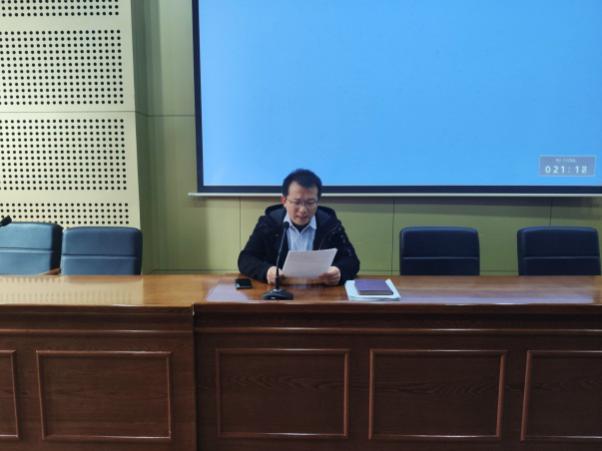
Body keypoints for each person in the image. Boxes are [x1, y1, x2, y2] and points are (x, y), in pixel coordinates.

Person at [238, 169, 360, 286]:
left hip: (321, 291)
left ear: (317, 202)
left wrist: (339, 271)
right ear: (284, 201)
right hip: (280, 292)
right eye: (297, 202)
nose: (303, 210)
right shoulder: (269, 223)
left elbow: (352, 260)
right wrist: (266, 271)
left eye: (310, 203)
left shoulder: (330, 224)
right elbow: (246, 259)